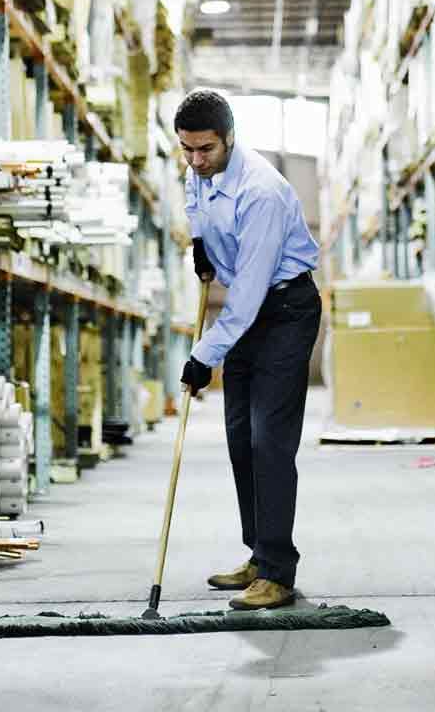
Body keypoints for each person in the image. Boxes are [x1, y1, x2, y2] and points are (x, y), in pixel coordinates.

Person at [175, 89, 321, 610]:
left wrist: (202, 355)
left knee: (269, 442)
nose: (196, 161)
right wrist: (200, 241)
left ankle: (279, 572)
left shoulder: (261, 192)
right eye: (187, 150)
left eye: (206, 150)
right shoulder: (198, 169)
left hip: (283, 311)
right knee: (240, 438)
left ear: (230, 138)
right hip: (249, 314)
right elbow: (195, 199)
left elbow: (248, 296)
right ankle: (259, 554)